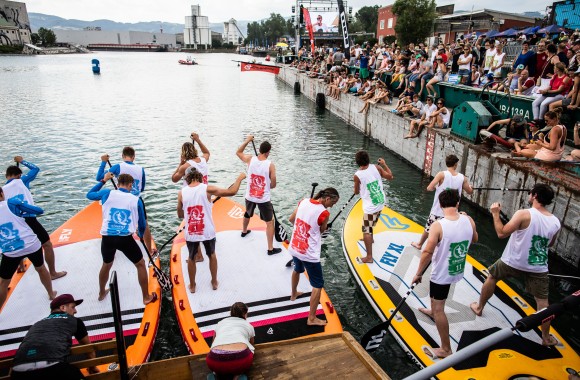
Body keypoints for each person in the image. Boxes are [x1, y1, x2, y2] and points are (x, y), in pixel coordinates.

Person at [470, 184, 561, 347]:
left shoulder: (523, 214)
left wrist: (495, 213)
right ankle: (546, 337)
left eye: (530, 193)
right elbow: (550, 244)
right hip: (538, 266)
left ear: (534, 196)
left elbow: (501, 233)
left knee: (492, 277)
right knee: (543, 304)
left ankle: (479, 307)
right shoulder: (555, 222)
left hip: (513, 260)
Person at [412, 189, 478, 359]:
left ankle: (445, 348)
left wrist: (418, 273)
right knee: (436, 300)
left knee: (439, 307)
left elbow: (427, 252)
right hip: (456, 269)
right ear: (457, 204)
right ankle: (432, 312)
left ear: (440, 205)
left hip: (441, 274)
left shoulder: (438, 225)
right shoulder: (468, 219)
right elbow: (475, 239)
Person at [86, 173, 157, 305]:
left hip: (107, 238)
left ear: (118, 185)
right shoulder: (136, 200)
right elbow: (142, 224)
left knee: (106, 264)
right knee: (140, 264)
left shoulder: (107, 193)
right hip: (125, 239)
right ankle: (146, 297)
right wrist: (140, 235)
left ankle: (101, 293)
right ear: (130, 185)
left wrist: (103, 180)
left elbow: (89, 194)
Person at [177, 168, 245, 293]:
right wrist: (239, 178)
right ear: (199, 176)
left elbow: (180, 214)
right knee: (211, 255)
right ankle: (214, 282)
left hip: (192, 231)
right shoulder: (208, 189)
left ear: (186, 178)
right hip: (207, 231)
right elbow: (232, 191)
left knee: (191, 257)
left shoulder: (182, 193)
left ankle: (192, 286)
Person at [3, 157, 66, 280]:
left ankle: (21, 267)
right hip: (29, 219)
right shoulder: (23, 180)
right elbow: (35, 169)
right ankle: (52, 273)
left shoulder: (2, 191)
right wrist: (21, 161)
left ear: (6, 176)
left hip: (13, 222)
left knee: (19, 242)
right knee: (47, 244)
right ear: (19, 175)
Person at [10, 294, 98, 380]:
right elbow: (88, 348)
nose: (75, 311)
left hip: (18, 372)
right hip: (52, 367)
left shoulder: (37, 324)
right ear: (63, 307)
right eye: (73, 307)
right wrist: (92, 367)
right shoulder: (75, 321)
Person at [288, 188, 339, 326]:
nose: (333, 206)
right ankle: (311, 318)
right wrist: (324, 228)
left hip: (295, 246)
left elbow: (291, 219)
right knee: (317, 285)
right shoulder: (324, 212)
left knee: (297, 269)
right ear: (327, 199)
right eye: (333, 202)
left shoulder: (303, 201)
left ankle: (293, 294)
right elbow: (322, 231)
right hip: (309, 253)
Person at [0, 186, 56, 310]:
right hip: (30, 245)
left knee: (4, 282)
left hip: (10, 251)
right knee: (41, 268)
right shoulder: (12, 203)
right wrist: (22, 211)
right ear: (1, 194)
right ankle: (51, 294)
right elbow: (39, 210)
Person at [98, 147, 154, 254]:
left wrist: (103, 162)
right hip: (136, 200)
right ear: (133, 157)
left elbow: (99, 177)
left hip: (121, 199)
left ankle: (112, 247)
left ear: (123, 156)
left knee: (116, 219)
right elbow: (141, 188)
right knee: (144, 224)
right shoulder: (141, 169)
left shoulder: (118, 167)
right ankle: (150, 250)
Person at [411, 154, 473, 250]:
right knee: (447, 233)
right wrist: (470, 187)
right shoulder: (462, 178)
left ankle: (419, 244)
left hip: (437, 210)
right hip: (452, 213)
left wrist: (437, 187)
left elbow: (429, 187)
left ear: (447, 163)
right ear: (455, 165)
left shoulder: (441, 175)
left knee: (428, 229)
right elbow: (470, 191)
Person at [236, 135, 280, 256]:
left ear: (260, 150)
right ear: (268, 152)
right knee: (270, 222)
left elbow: (238, 152)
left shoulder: (250, 159)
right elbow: (273, 184)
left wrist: (248, 140)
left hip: (250, 196)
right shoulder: (270, 165)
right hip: (263, 199)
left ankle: (244, 231)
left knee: (247, 213)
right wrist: (268, 186)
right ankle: (270, 249)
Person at [172, 133, 211, 263]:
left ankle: (198, 255)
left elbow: (174, 179)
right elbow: (207, 152)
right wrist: (198, 140)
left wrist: (180, 163)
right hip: (205, 194)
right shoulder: (203, 160)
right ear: (194, 150)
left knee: (192, 223)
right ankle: (207, 242)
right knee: (205, 219)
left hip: (191, 197)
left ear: (183, 153)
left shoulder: (185, 166)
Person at [354, 151, 394, 263]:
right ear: (368, 159)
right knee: (372, 222)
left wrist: (358, 185)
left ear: (357, 162)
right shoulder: (376, 167)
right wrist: (384, 164)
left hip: (370, 206)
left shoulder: (357, 175)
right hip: (380, 201)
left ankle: (369, 257)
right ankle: (370, 240)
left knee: (366, 231)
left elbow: (356, 192)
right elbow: (390, 176)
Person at [206, 302, 255, 380]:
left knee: (219, 367)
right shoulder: (249, 326)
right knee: (249, 353)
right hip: (239, 361)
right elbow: (252, 344)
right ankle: (238, 376)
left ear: (231, 312)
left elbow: (213, 342)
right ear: (245, 314)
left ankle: (216, 374)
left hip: (214, 360)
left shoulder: (220, 323)